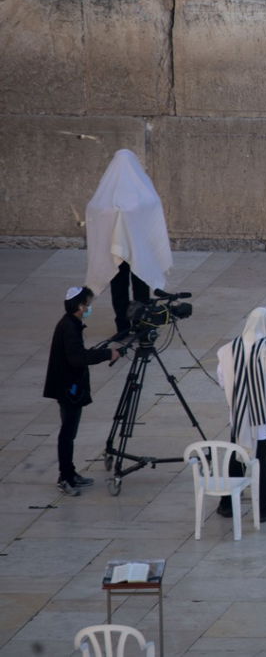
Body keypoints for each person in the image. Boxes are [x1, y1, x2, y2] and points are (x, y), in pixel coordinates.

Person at [84, 150, 173, 337]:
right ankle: (138, 324)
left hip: (122, 250)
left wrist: (116, 215)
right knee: (135, 287)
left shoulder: (105, 195)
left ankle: (126, 326)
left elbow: (95, 209)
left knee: (122, 288)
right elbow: (152, 207)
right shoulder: (143, 193)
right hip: (132, 251)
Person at [215, 307, 266, 522]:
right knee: (264, 461)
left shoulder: (227, 350)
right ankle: (263, 507)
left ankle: (227, 503)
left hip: (239, 416)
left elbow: (222, 380)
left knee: (237, 457)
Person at [44, 286, 121, 496]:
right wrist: (107, 354)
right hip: (68, 388)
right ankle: (64, 477)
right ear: (79, 306)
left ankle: (70, 473)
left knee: (70, 433)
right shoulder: (69, 327)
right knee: (67, 434)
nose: (89, 307)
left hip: (70, 386)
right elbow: (77, 358)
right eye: (87, 304)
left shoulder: (71, 324)